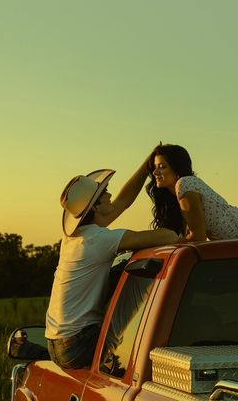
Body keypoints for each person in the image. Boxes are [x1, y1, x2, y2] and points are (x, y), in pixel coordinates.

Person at [45, 150, 178, 370]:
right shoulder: (98, 239)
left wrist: (147, 167)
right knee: (137, 274)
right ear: (96, 207)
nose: (110, 195)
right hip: (78, 345)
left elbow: (123, 201)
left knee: (121, 270)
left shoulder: (75, 237)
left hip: (57, 344)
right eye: (105, 192)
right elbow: (167, 236)